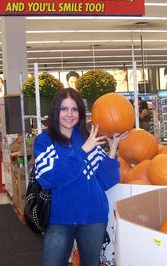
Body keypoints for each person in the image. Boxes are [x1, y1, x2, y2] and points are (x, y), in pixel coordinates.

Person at [34, 88, 128, 266]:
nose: (70, 114)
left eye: (74, 109)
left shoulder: (87, 137)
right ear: (56, 111)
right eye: (64, 109)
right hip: (58, 219)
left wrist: (113, 150)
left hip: (93, 216)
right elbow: (49, 178)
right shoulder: (45, 141)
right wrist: (82, 151)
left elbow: (104, 181)